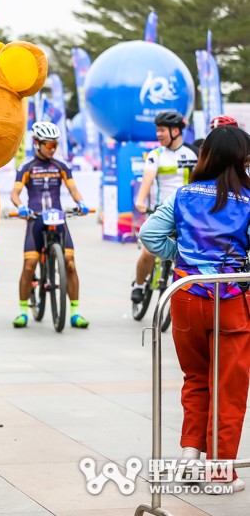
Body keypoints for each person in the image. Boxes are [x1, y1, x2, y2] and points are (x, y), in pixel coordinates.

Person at [139, 125, 250, 494]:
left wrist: (184, 259)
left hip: (184, 297)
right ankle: (220, 474)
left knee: (196, 378)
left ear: (205, 157)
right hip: (230, 301)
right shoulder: (249, 199)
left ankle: (189, 458)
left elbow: (150, 236)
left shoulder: (183, 195)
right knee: (229, 388)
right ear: (242, 160)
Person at [11, 121, 91, 329]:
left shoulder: (61, 166)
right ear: (37, 143)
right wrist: (20, 206)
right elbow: (15, 193)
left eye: (55, 144)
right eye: (49, 145)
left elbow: (73, 188)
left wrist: (80, 202)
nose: (53, 148)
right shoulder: (27, 166)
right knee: (29, 265)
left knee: (70, 263)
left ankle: (74, 313)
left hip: (58, 218)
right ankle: (23, 312)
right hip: (35, 219)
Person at [132, 111, 198, 305]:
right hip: (161, 210)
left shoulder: (193, 153)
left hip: (187, 214)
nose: (158, 134)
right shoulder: (156, 155)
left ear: (175, 130)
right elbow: (148, 179)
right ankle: (138, 284)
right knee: (148, 252)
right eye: (157, 130)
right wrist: (141, 200)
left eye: (162, 130)